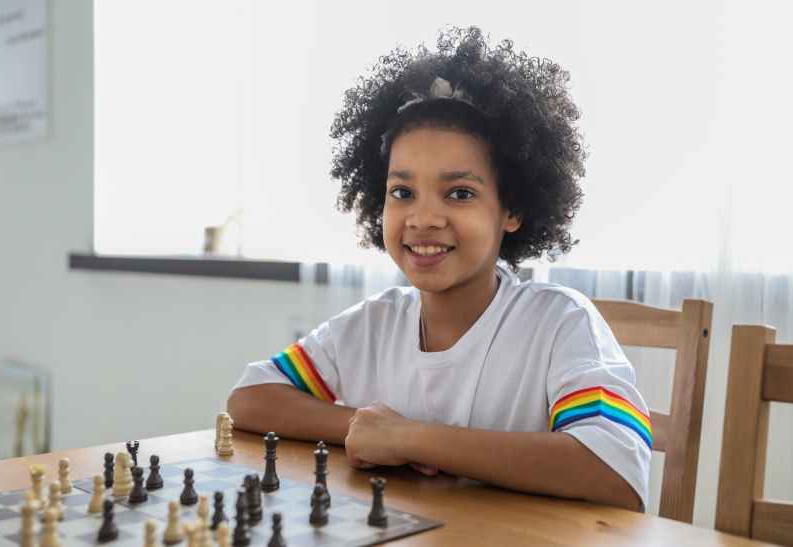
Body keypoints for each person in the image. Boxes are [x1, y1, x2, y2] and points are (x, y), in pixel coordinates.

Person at [228, 26, 650, 511]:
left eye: (460, 193)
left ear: (511, 209)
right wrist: (363, 429)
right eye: (402, 193)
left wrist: (412, 438)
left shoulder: (560, 322)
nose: (423, 219)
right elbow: (250, 398)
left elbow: (616, 470)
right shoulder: (375, 322)